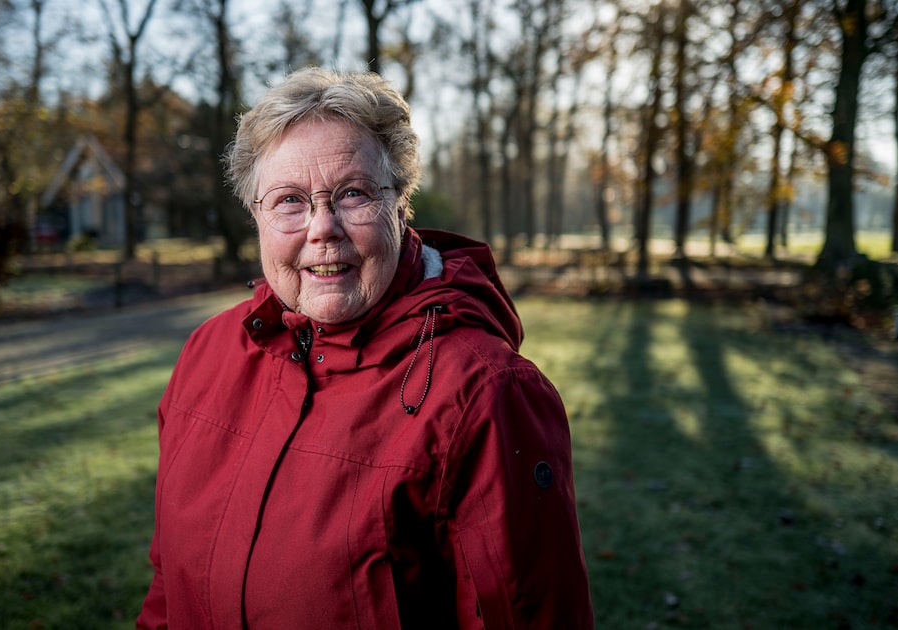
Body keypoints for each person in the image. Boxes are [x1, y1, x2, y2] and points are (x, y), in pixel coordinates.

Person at [137, 67, 593, 629]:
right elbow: (168, 584)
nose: (322, 228)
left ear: (400, 202)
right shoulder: (208, 353)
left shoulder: (487, 393)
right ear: (255, 215)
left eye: (352, 193)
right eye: (289, 200)